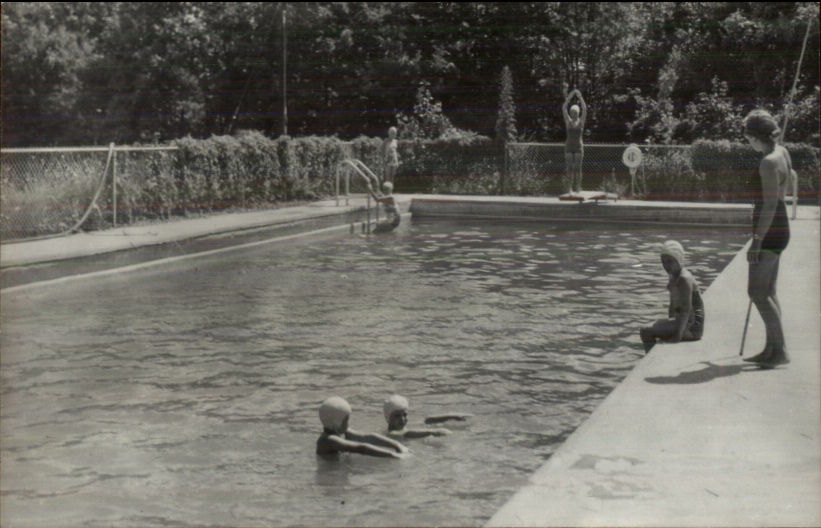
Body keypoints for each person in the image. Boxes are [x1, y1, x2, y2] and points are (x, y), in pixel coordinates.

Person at [741, 109, 791, 368]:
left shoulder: (768, 162)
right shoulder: (782, 152)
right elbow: (788, 184)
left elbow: (769, 206)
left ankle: (780, 351)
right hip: (780, 224)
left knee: (757, 292)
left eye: (748, 137)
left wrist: (757, 241)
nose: (748, 142)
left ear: (756, 137)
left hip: (770, 228)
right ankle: (772, 348)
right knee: (768, 290)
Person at [640, 240, 705, 353]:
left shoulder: (684, 279)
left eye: (670, 261)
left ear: (678, 260)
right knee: (652, 326)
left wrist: (677, 336)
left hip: (692, 328)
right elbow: (673, 306)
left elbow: (686, 309)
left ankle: (650, 360)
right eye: (663, 262)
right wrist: (669, 323)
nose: (666, 265)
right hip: (686, 322)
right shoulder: (674, 275)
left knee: (645, 331)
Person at [316, 396, 409, 458]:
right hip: (332, 478)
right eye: (346, 421)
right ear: (336, 423)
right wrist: (392, 455)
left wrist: (396, 445)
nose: (348, 424)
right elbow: (362, 448)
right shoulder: (328, 440)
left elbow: (368, 437)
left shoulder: (340, 431)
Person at [383, 394, 472, 439]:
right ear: (388, 418)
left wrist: (450, 416)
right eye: (397, 416)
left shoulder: (403, 426)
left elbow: (426, 420)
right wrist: (432, 432)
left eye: (405, 415)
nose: (402, 419)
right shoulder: (393, 434)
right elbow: (408, 433)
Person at [562, 88, 587, 194]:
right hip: (569, 146)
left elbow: (585, 109)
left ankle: (578, 188)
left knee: (577, 169)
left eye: (575, 112)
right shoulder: (568, 121)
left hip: (578, 147)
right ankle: (569, 189)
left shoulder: (581, 122)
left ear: (578, 113)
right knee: (569, 169)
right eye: (572, 112)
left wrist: (580, 97)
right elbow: (563, 108)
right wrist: (570, 97)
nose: (573, 114)